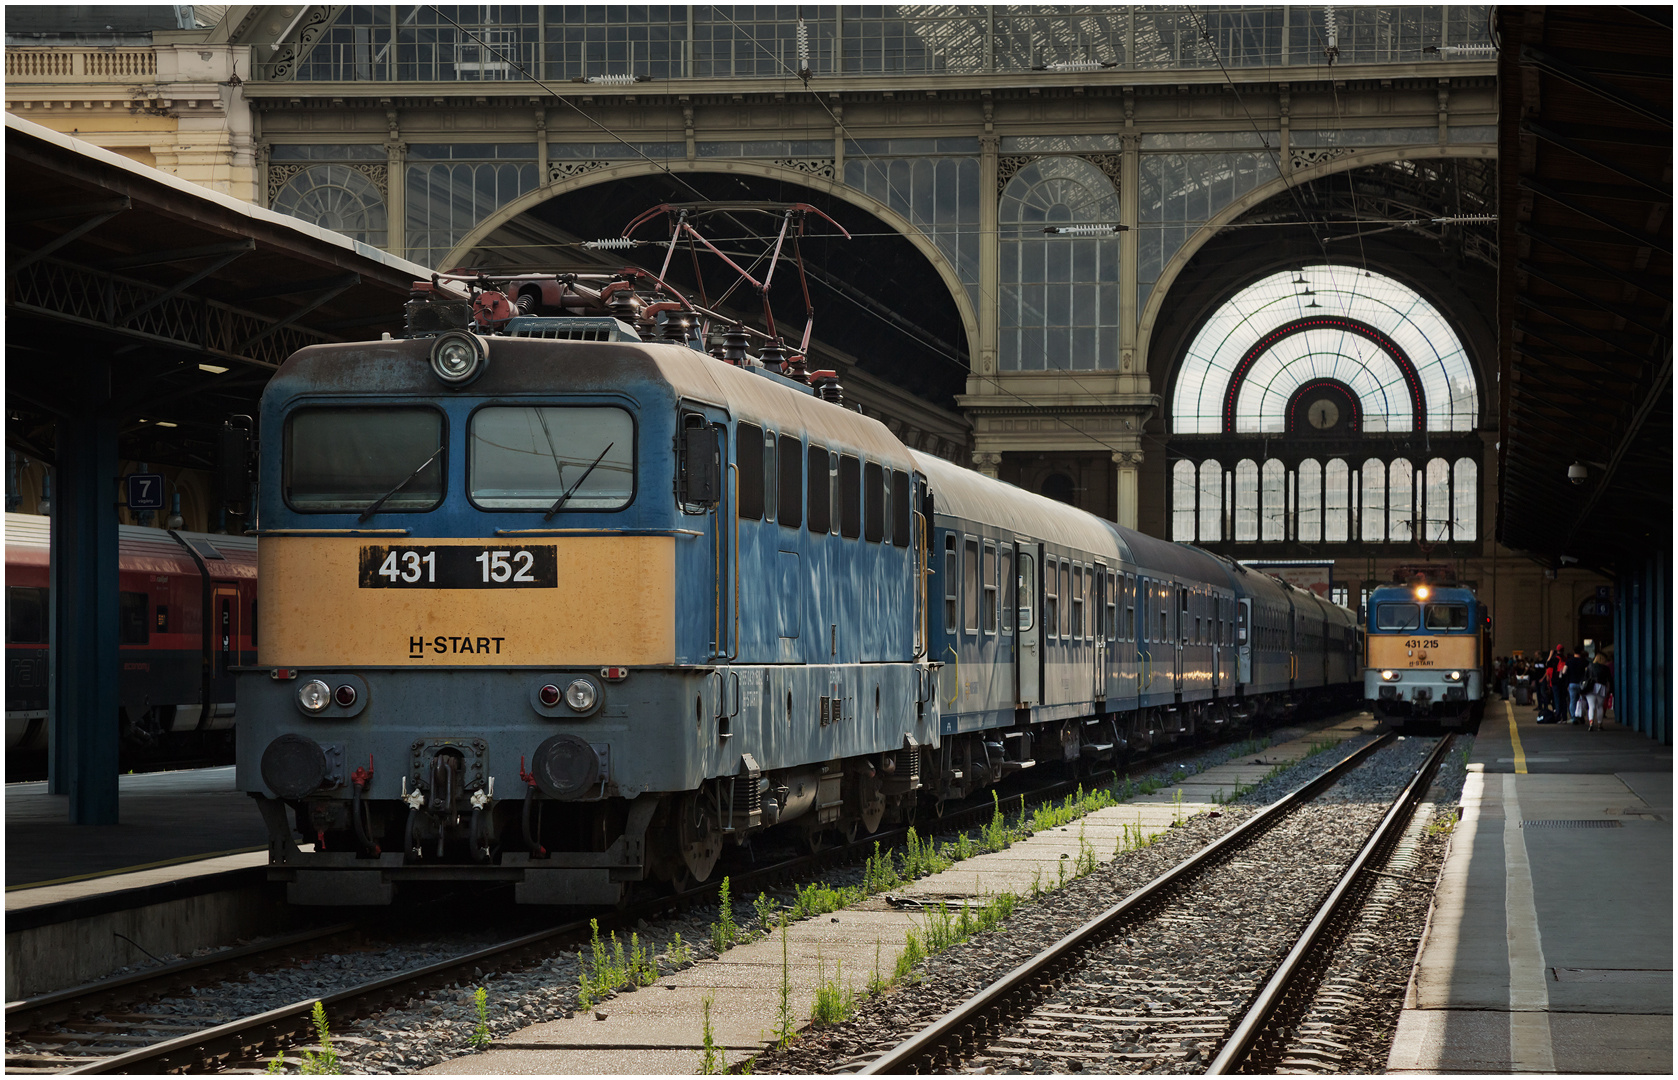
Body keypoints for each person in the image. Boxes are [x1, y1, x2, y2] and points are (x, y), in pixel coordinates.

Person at [1584, 648, 1614, 732]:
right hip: (1601, 687)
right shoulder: (1605, 668)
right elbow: (1609, 679)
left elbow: (1585, 678)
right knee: (1599, 707)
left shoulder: (1589, 666)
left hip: (1591, 687)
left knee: (1591, 706)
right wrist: (1610, 689)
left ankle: (1591, 723)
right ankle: (1600, 725)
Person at [1563, 645, 1590, 725]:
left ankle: (1573, 718)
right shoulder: (1585, 661)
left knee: (1572, 701)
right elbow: (1588, 672)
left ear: (1573, 652)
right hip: (1582, 684)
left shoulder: (1569, 661)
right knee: (1582, 700)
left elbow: (1564, 672)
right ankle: (1581, 716)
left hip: (1572, 683)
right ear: (1581, 652)